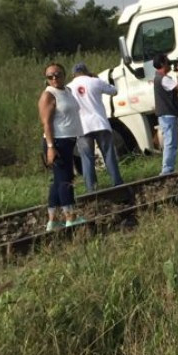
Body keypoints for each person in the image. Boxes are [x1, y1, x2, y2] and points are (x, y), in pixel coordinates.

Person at [38, 62, 86, 230]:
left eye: (57, 74)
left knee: (58, 181)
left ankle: (52, 220)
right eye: (50, 76)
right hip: (57, 142)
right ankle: (70, 217)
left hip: (69, 140)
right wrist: (51, 147)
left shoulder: (67, 91)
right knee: (66, 180)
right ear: (46, 79)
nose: (54, 78)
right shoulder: (48, 95)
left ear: (64, 75)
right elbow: (46, 124)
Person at [67, 62, 124, 192]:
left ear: (73, 74)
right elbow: (114, 91)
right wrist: (96, 78)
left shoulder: (69, 88)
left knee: (87, 159)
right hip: (100, 124)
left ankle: (91, 189)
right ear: (87, 71)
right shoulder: (95, 81)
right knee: (109, 155)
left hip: (82, 127)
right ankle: (117, 183)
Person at [153, 54, 178, 175]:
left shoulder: (159, 77)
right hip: (168, 115)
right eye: (168, 62)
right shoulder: (163, 79)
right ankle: (167, 170)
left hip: (165, 115)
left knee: (170, 142)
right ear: (162, 63)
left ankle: (168, 169)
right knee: (170, 143)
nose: (170, 64)